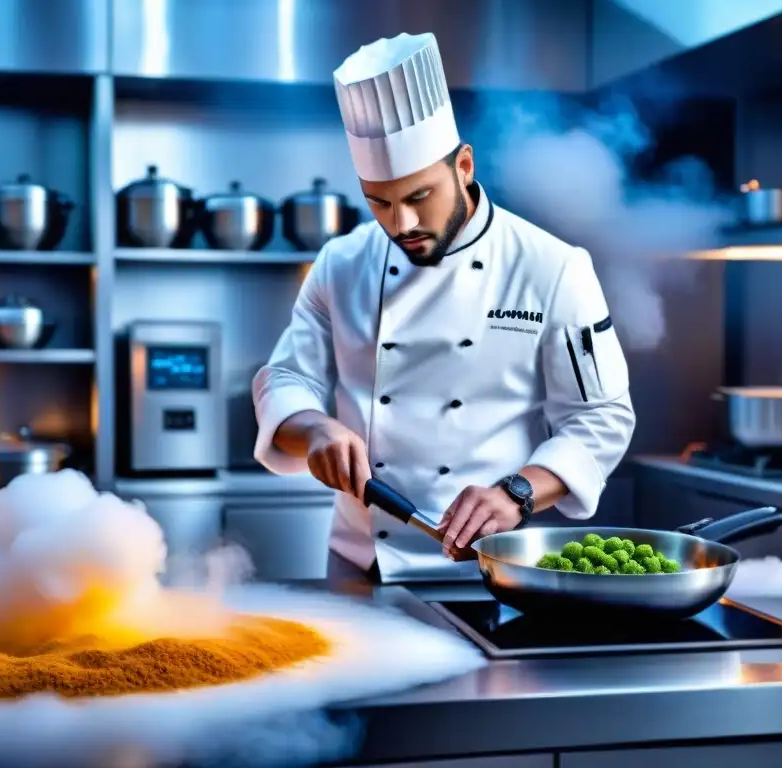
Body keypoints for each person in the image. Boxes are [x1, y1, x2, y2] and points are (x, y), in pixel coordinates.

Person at [252, 32, 636, 582]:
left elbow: (601, 416)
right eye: (379, 202)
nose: (400, 224)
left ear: (463, 166)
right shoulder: (341, 263)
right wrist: (315, 429)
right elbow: (286, 377)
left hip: (490, 570)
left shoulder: (552, 268)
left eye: (418, 197)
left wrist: (520, 491)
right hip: (359, 564)